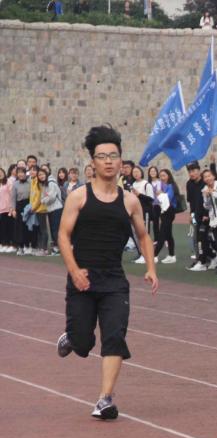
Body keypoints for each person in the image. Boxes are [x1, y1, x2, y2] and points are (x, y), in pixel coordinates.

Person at [56, 125, 159, 419]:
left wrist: (151, 267)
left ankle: (105, 399)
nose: (109, 161)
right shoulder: (79, 197)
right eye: (102, 156)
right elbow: (63, 235)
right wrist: (74, 270)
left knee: (114, 337)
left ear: (121, 160)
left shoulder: (130, 201)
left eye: (113, 156)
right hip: (83, 280)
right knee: (83, 343)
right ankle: (72, 338)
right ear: (93, 162)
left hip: (114, 281)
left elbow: (143, 236)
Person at [152, 168, 179, 264]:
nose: (162, 178)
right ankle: (172, 255)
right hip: (164, 212)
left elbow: (168, 197)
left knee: (162, 234)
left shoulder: (171, 185)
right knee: (168, 234)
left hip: (169, 212)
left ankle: (154, 255)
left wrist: (161, 194)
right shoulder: (164, 186)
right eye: (160, 176)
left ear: (168, 176)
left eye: (164, 175)